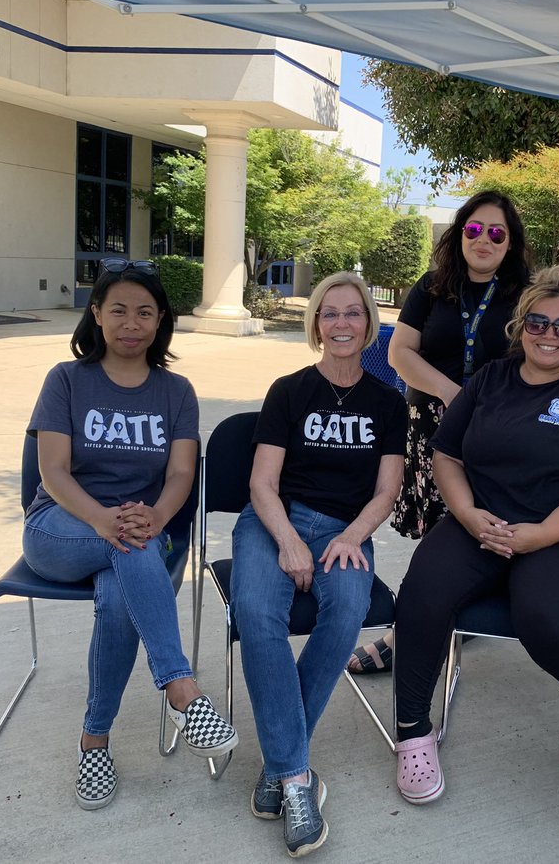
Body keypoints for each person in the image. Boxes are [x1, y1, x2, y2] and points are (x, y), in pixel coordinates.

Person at [390, 265, 559, 804]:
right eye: (539, 322)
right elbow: (446, 453)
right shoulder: (490, 379)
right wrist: (463, 513)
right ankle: (413, 732)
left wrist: (544, 533)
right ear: (520, 324)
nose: (550, 335)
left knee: (543, 615)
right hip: (484, 521)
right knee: (422, 592)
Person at [22, 258, 237, 812]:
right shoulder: (67, 380)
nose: (130, 323)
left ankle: (94, 741)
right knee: (132, 547)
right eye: (117, 310)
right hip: (62, 529)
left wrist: (160, 517)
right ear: (96, 315)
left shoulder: (176, 392)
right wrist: (101, 518)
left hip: (140, 530)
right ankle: (180, 688)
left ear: (160, 320)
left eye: (145, 312)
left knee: (121, 600)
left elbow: (182, 475)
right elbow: (53, 471)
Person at [231, 272, 407, 857]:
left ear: (368, 323)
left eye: (352, 313)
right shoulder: (289, 390)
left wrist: (351, 536)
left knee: (350, 608)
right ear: (315, 324)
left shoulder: (387, 402)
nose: (340, 324)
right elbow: (261, 483)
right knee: (256, 614)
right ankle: (298, 777)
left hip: (345, 530)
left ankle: (279, 765)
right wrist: (287, 539)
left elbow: (387, 491)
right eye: (328, 313)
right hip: (274, 519)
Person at [347, 190, 532, 675]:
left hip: (496, 430)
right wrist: (454, 395)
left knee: (476, 525)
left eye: (497, 232)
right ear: (459, 234)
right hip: (432, 425)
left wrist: (479, 406)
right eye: (474, 229)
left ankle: (412, 629)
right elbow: (400, 353)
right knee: (438, 531)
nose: (484, 240)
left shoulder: (522, 294)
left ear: (510, 243)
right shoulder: (431, 286)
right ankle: (434, 620)